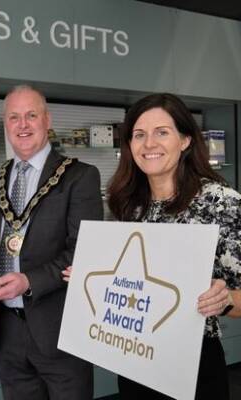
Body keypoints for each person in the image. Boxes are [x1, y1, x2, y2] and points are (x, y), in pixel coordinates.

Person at [0, 85, 103, 400]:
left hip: (60, 329)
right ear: (6, 124)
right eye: (14, 117)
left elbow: (84, 251)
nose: (23, 124)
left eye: (31, 115)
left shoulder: (79, 177)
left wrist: (29, 281)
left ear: (47, 119)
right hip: (7, 330)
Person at [106, 93, 241, 399]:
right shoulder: (130, 205)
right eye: (139, 135)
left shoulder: (221, 202)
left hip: (193, 365)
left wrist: (226, 299)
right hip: (133, 355)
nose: (149, 144)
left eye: (162, 132)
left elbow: (235, 296)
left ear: (186, 141)